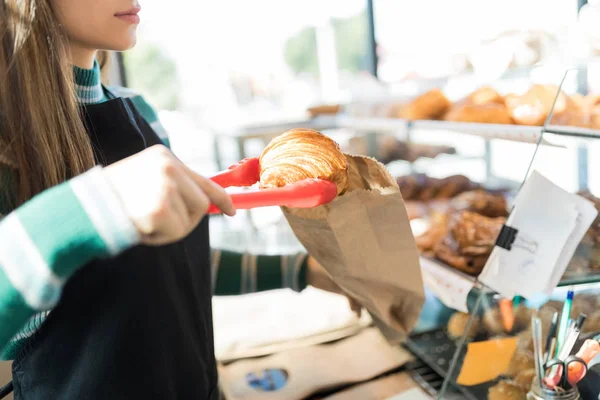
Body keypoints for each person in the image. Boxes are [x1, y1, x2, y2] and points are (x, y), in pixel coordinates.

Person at [0, 1, 357, 398]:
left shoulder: (141, 113)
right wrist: (89, 211)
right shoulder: (7, 145)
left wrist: (301, 269)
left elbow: (169, 268)